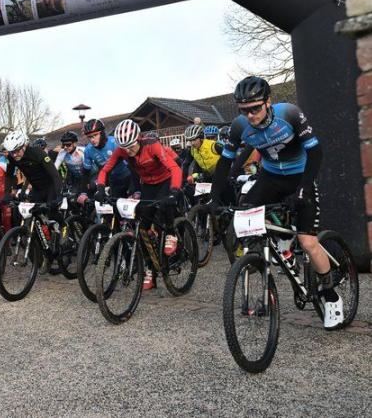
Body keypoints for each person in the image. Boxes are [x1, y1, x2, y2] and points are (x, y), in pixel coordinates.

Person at [210, 76, 342, 329]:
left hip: (300, 176)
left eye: (255, 108)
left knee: (308, 241)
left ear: (268, 102)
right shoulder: (240, 127)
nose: (250, 115)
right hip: (270, 177)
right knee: (246, 211)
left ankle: (331, 295)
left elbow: (315, 152)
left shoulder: (289, 114)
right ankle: (279, 252)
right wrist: (216, 198)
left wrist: (303, 187)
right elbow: (225, 163)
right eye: (244, 110)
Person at [95, 120, 182, 290]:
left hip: (165, 180)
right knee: (142, 228)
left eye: (131, 146)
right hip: (147, 185)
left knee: (165, 205)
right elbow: (105, 170)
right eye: (124, 147)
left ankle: (171, 233)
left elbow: (175, 168)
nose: (128, 151)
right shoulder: (121, 150)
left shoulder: (152, 145)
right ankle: (150, 269)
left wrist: (175, 190)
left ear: (139, 139)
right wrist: (99, 188)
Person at [2, 130, 63, 209]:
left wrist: (59, 194)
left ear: (24, 146)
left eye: (17, 151)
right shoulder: (12, 157)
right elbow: (9, 176)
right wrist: (7, 193)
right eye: (11, 152)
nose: (14, 155)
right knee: (31, 212)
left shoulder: (37, 153)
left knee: (51, 213)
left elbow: (54, 174)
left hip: (51, 187)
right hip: (36, 188)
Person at [79, 119, 132, 203]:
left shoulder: (114, 142)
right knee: (116, 208)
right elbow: (85, 173)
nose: (92, 140)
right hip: (113, 180)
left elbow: (131, 163)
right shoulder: (88, 150)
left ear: (102, 133)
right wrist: (83, 193)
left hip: (128, 176)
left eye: (95, 135)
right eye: (89, 137)